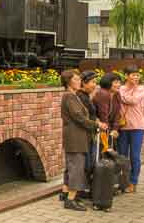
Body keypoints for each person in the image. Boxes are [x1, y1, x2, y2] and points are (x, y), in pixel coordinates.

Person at [60, 70, 107, 211]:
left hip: (77, 136)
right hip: (75, 137)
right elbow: (78, 116)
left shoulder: (73, 96)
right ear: (69, 82)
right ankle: (70, 200)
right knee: (76, 168)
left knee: (74, 166)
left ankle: (70, 195)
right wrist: (96, 124)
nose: (79, 81)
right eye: (76, 79)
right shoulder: (69, 97)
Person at [117, 65, 144, 193]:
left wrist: (122, 97)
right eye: (133, 74)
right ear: (126, 76)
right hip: (123, 127)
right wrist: (123, 96)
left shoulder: (141, 89)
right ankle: (123, 182)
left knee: (134, 156)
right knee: (122, 156)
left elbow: (133, 101)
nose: (136, 77)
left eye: (137, 75)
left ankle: (133, 182)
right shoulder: (121, 88)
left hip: (137, 127)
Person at [93, 73, 123, 139]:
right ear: (108, 83)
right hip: (98, 127)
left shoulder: (117, 94)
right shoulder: (103, 94)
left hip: (108, 128)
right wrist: (109, 131)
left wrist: (115, 129)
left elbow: (118, 113)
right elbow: (103, 114)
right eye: (116, 83)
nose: (119, 85)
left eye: (119, 83)